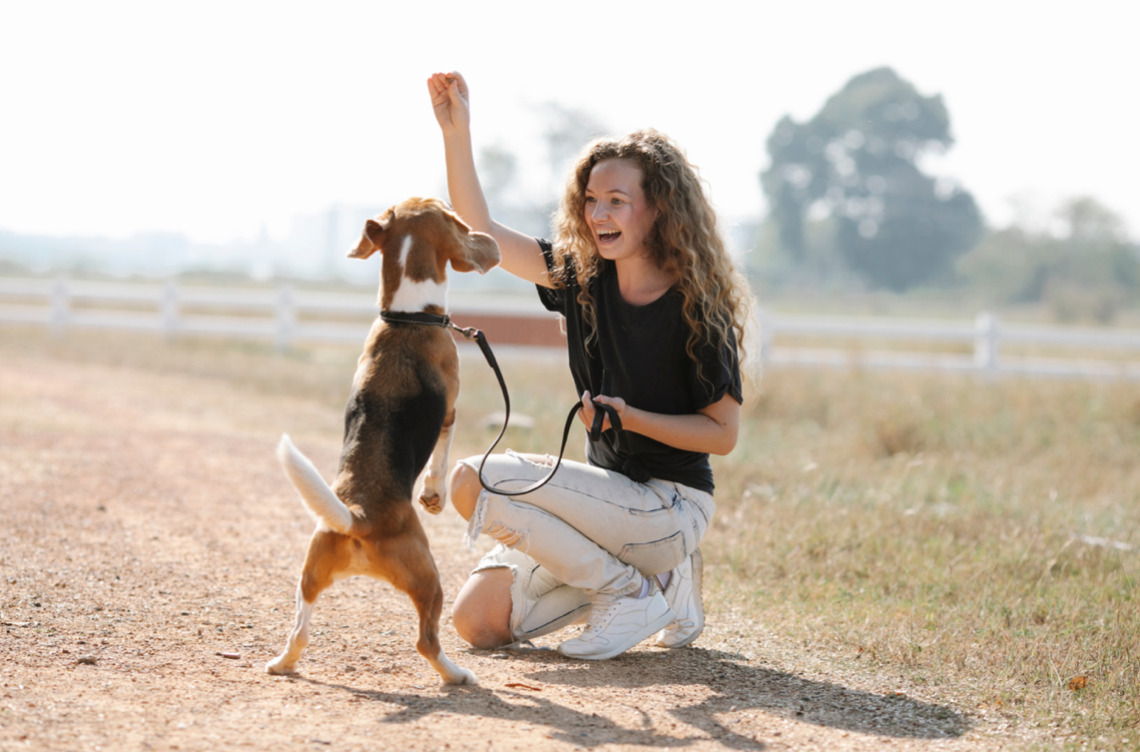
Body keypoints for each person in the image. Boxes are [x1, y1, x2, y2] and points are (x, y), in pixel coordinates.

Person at [427, 71, 751, 661]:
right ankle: (662, 587)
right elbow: (483, 234)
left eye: (618, 201)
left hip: (670, 507)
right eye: (592, 200)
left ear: (658, 211)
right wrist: (457, 132)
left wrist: (632, 417)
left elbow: (723, 435)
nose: (599, 213)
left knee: (472, 479)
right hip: (609, 506)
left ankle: (629, 589)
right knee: (477, 623)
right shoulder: (581, 278)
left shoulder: (698, 308)